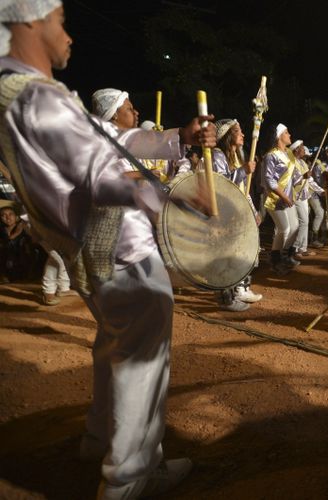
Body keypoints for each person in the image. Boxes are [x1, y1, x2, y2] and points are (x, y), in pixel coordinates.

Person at [0, 2, 217, 497]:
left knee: (114, 345)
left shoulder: (20, 95)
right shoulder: (40, 99)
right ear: (28, 22)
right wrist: (173, 201)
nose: (68, 35)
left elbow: (115, 139)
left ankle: (99, 439)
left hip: (95, 253)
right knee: (145, 360)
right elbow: (103, 174)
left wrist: (178, 138)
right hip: (121, 250)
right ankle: (128, 479)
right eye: (60, 21)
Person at [211, 118, 262, 311]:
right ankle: (226, 298)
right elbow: (220, 184)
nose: (242, 134)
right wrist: (243, 171)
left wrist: (253, 211)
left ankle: (239, 289)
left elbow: (243, 190)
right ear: (227, 135)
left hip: (237, 212)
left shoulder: (235, 156)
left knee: (240, 252)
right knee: (226, 255)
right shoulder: (217, 155)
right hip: (223, 214)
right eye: (238, 131)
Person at [262, 123, 300, 274]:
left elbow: (292, 177)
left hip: (287, 198)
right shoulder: (271, 156)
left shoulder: (289, 154)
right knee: (284, 229)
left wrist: (304, 177)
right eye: (287, 132)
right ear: (279, 137)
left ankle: (284, 255)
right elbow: (269, 180)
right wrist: (284, 196)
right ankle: (275, 260)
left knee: (295, 227)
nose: (290, 135)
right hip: (275, 198)